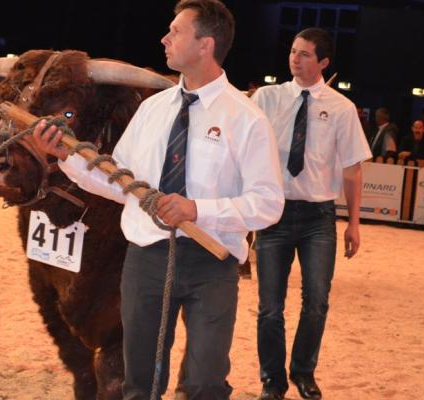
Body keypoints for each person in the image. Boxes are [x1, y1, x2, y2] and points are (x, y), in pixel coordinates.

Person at [31, 1, 284, 398]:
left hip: (212, 263)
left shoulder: (247, 119)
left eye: (176, 31)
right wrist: (67, 158)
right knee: (140, 383)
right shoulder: (152, 109)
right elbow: (119, 181)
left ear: (206, 44)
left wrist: (198, 210)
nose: (164, 38)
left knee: (204, 383)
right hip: (145, 259)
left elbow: (268, 203)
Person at [251, 28, 372, 400]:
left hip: (320, 217)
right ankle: (273, 380)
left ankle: (303, 372)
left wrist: (353, 222)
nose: (295, 59)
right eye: (292, 51)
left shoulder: (341, 108)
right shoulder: (266, 99)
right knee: (270, 307)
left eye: (304, 54)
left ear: (323, 62)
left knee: (316, 301)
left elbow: (352, 169)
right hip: (274, 213)